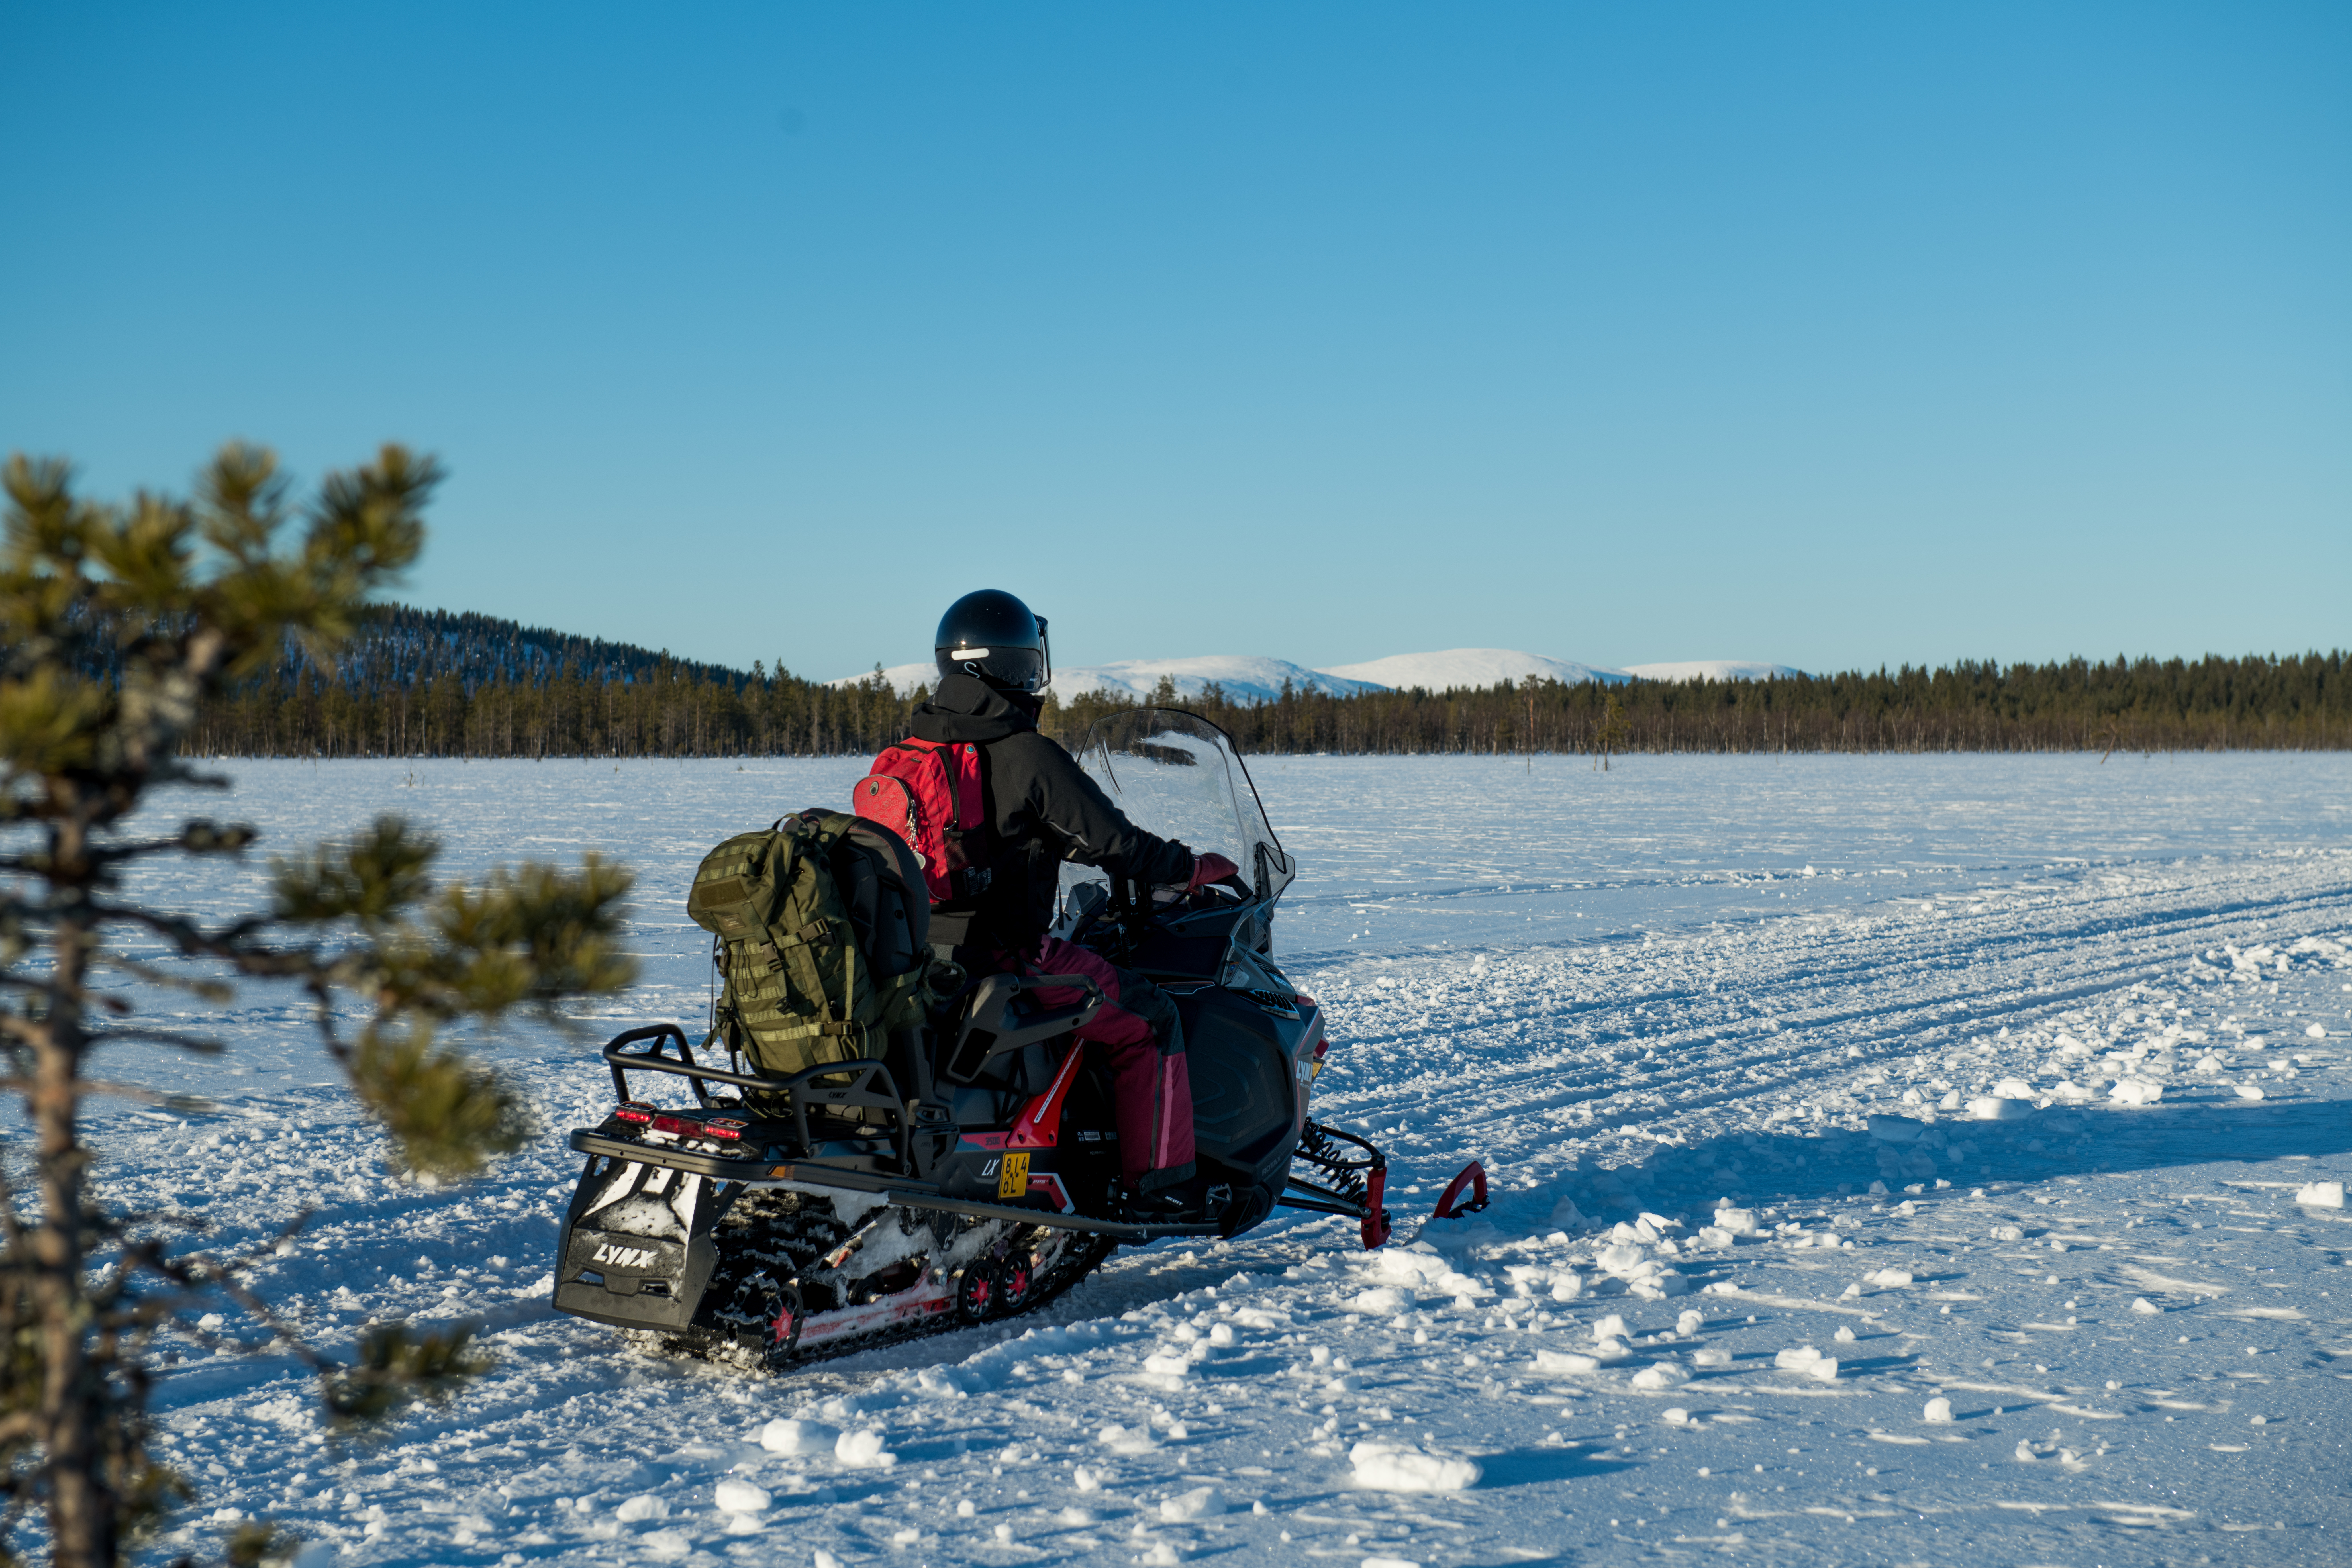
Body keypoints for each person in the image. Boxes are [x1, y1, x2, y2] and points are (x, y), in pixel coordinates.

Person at [898, 589, 1235, 1205]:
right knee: (1150, 1020)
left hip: (922, 958)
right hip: (1011, 958)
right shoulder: (1025, 752)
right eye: (1028, 665)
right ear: (1014, 669)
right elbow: (1116, 842)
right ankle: (1159, 1186)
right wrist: (1188, 868)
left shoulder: (913, 753)